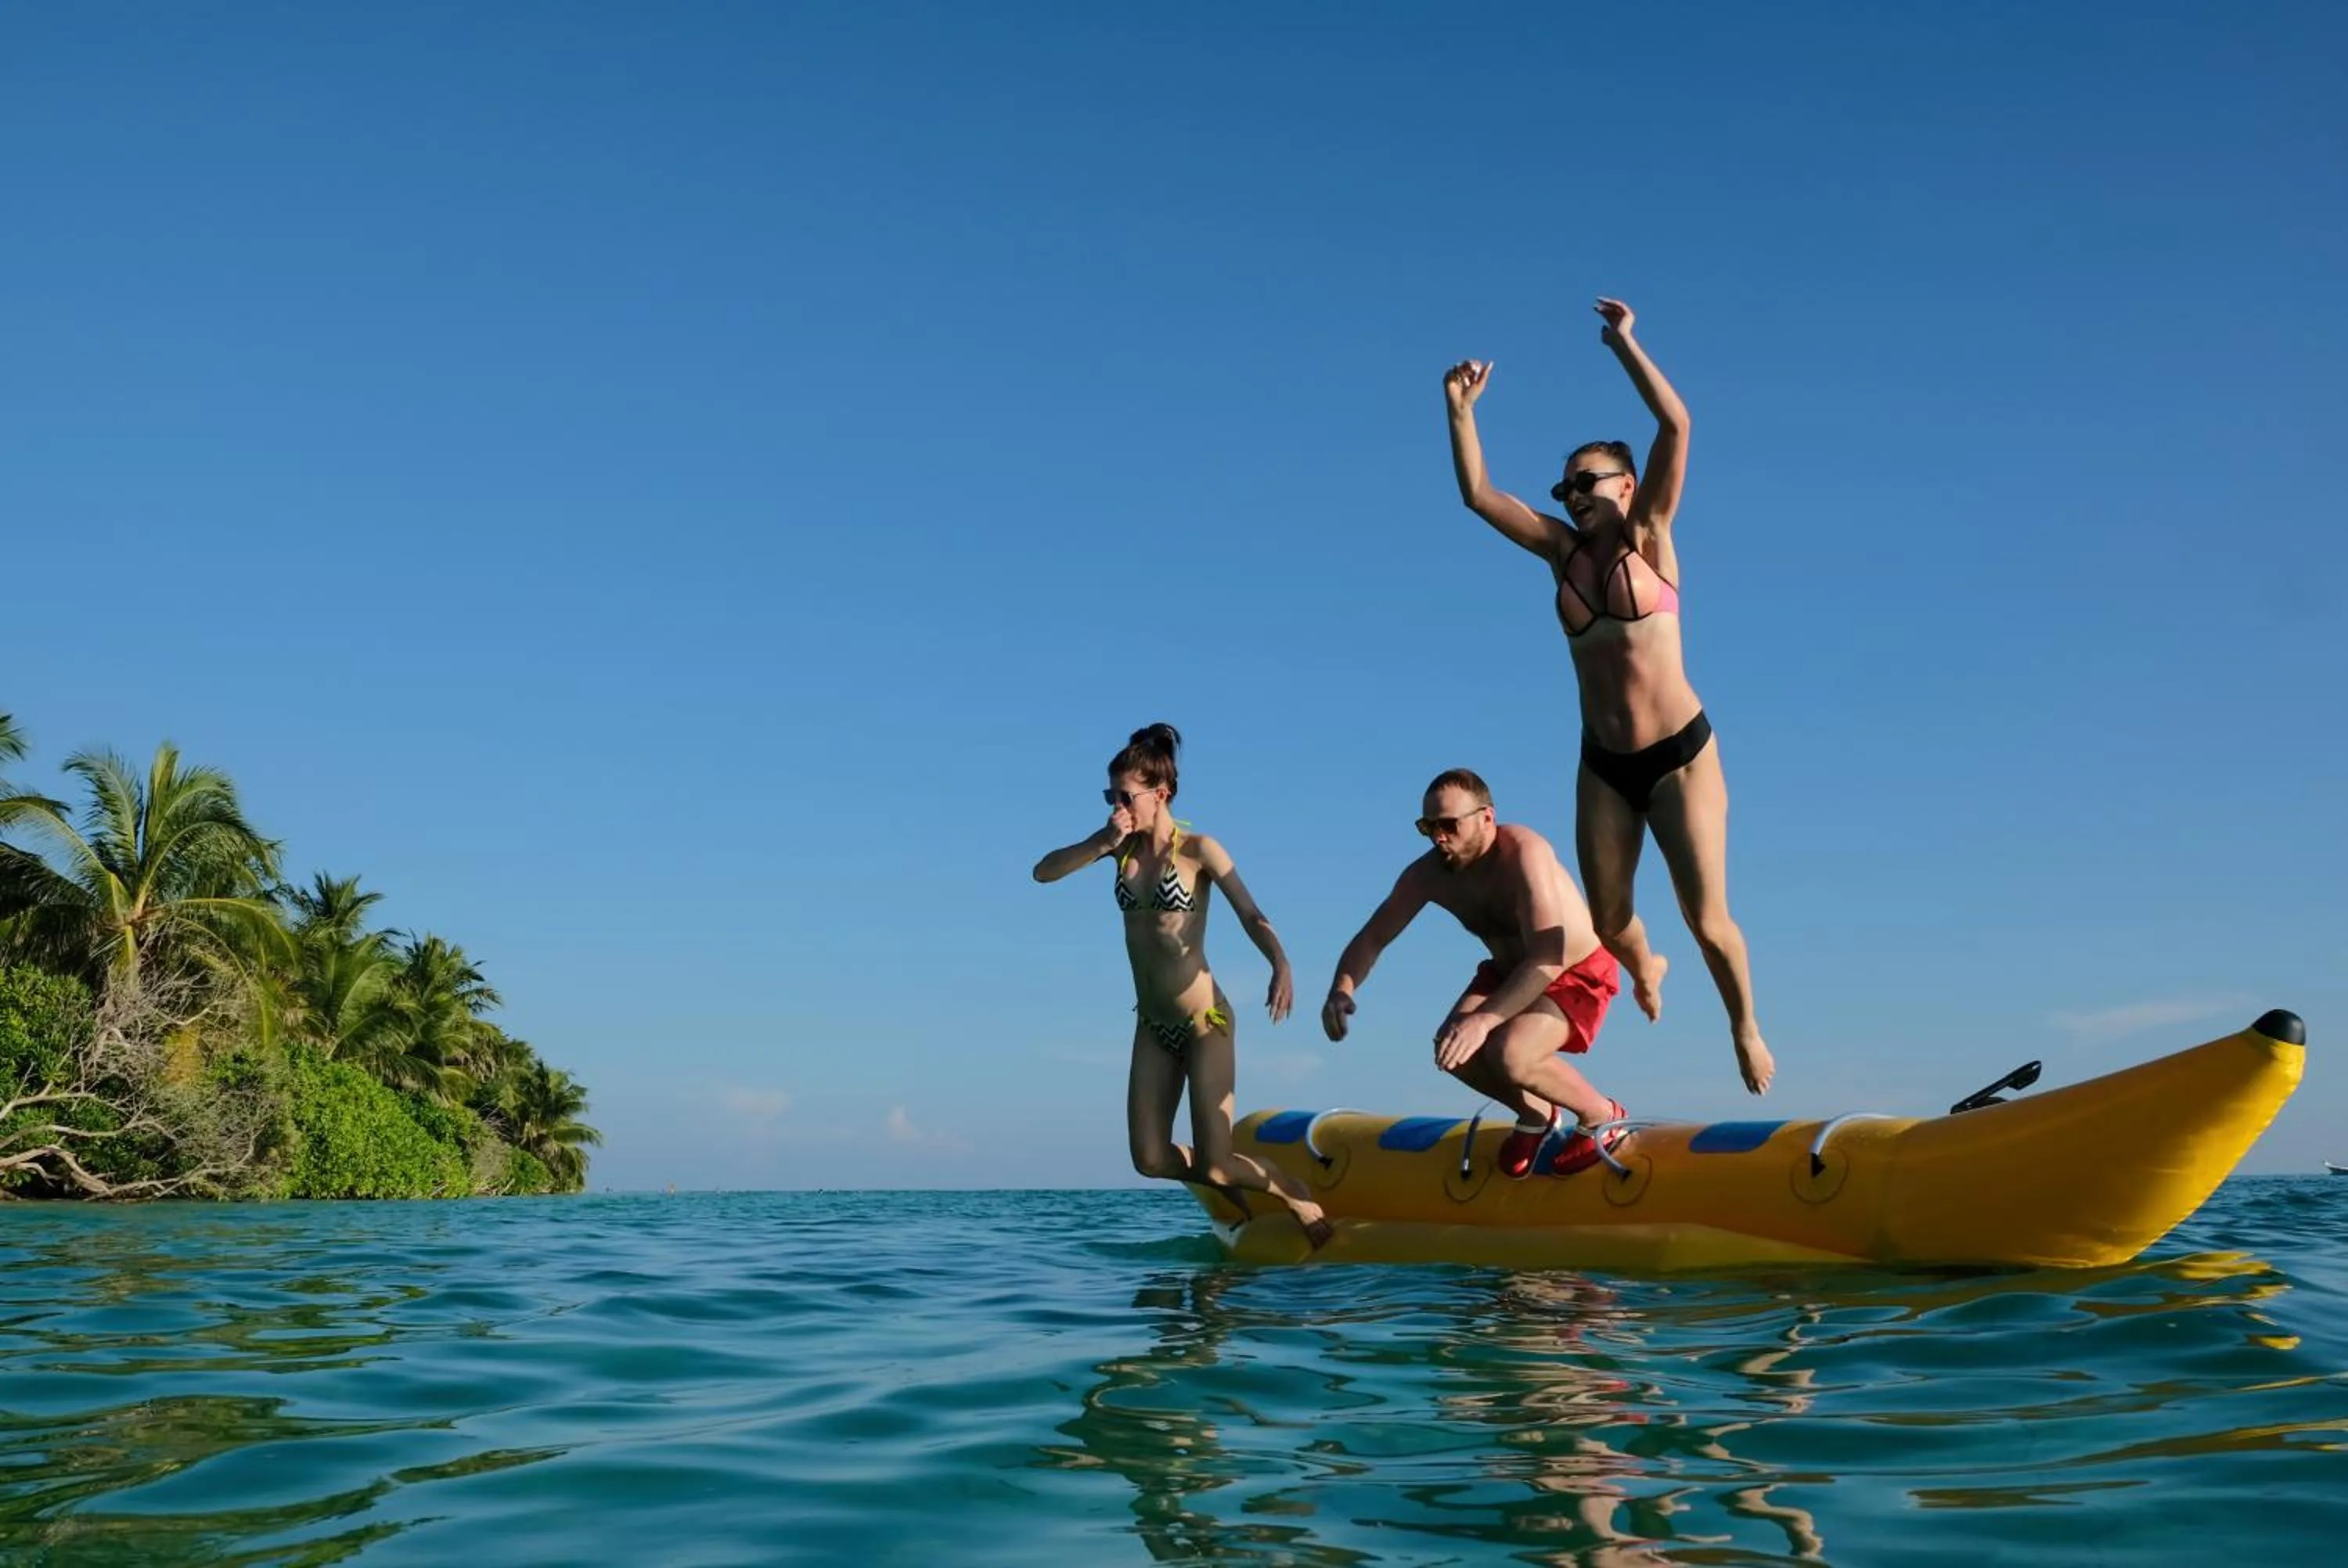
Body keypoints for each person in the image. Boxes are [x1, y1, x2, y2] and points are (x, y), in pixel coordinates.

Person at [1442, 297, 1775, 1098]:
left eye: (1585, 483)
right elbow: (1480, 495)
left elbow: (1677, 426)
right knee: (1614, 922)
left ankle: (1745, 1027)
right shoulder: (1561, 557)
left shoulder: (1652, 535)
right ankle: (1645, 967)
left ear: (1626, 485)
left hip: (1680, 757)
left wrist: (1625, 345)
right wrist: (1459, 412)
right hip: (1604, 765)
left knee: (1707, 920)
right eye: (1564, 489)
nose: (1571, 497)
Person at [1032, 724, 1331, 1246]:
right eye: (1110, 796)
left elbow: (1252, 914)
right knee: (1149, 1159)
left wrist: (1280, 963)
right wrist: (1101, 840)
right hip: (1152, 1025)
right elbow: (1043, 872)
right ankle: (1223, 1183)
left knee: (1218, 1161)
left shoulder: (1199, 850)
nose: (1116, 806)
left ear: (1161, 794)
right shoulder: (1117, 850)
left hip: (1203, 1022)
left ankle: (1289, 1190)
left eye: (1125, 796)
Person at [1320, 769, 1628, 1178]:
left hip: (1572, 970)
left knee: (1510, 1054)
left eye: (1449, 825)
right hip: (1508, 972)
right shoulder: (1428, 874)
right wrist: (1342, 988)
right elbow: (1373, 937)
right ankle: (1535, 1115)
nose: (1438, 837)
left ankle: (1601, 1115)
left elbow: (1548, 957)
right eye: (1427, 827)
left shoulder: (1523, 852)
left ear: (1487, 817)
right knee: (1453, 1052)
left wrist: (1485, 1020)